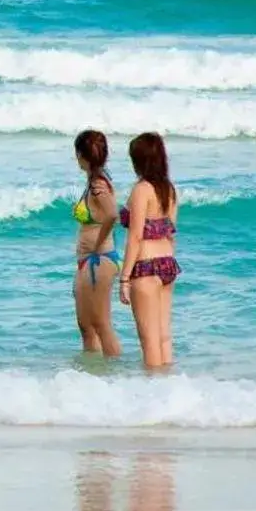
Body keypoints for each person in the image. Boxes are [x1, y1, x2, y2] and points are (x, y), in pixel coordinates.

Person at [118, 131, 179, 369]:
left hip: (145, 266)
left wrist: (124, 278)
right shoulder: (169, 190)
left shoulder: (141, 189)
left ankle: (153, 394)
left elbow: (135, 236)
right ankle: (168, 389)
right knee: (164, 336)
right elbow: (170, 232)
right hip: (167, 264)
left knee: (149, 341)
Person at [71, 129, 123, 357]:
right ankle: (94, 376)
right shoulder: (95, 181)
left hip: (98, 260)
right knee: (86, 325)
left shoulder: (98, 185)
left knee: (101, 324)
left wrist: (97, 243)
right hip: (89, 261)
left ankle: (116, 376)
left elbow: (113, 214)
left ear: (82, 155)